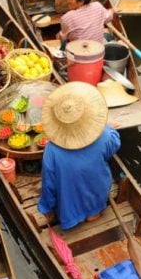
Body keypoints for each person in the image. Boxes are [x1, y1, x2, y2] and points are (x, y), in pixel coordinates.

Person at [38, 82, 120, 230]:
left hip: (69, 202)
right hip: (97, 191)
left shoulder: (51, 150)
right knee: (93, 204)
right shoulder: (104, 135)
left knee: (68, 200)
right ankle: (93, 214)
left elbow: (48, 183)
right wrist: (107, 127)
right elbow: (114, 144)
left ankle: (75, 218)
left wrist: (46, 208)